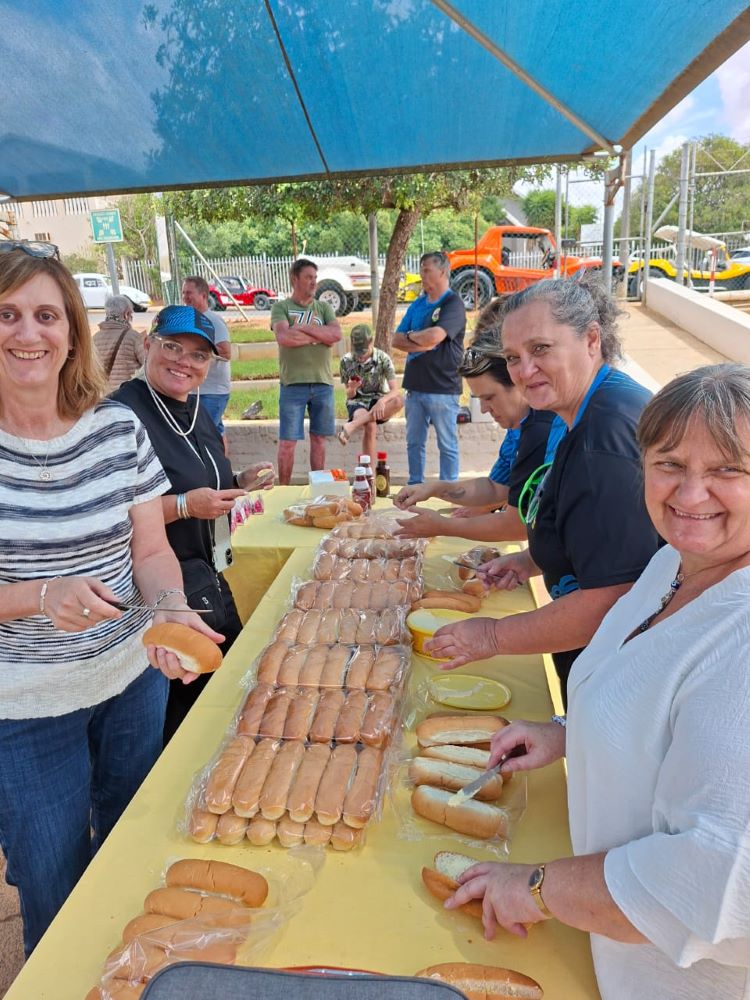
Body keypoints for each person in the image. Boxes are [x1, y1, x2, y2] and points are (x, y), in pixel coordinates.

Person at [446, 365, 750, 1000]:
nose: (691, 493)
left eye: (728, 469)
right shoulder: (676, 560)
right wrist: (567, 732)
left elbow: (715, 878)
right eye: (669, 462)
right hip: (604, 954)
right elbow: (644, 688)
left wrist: (535, 887)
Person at [0, 244, 218, 955]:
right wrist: (38, 595)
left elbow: (151, 550)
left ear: (72, 331)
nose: (27, 333)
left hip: (131, 681)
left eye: (44, 315)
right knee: (55, 889)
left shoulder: (116, 429)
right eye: (6, 314)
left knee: (133, 860)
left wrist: (170, 609)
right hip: (28, 707)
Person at [425, 277, 661, 702]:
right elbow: (597, 536)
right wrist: (534, 559)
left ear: (591, 339)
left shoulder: (603, 437)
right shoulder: (586, 409)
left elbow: (611, 597)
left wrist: (492, 637)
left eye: (540, 349)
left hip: (623, 668)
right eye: (513, 357)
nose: (524, 371)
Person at [112, 305, 275, 743]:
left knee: (231, 699)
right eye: (172, 347)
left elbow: (202, 479)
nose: (185, 361)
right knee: (189, 724)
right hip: (161, 593)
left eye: (199, 355)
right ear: (148, 344)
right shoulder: (119, 416)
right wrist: (184, 505)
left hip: (209, 577)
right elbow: (111, 515)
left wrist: (237, 481)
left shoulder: (195, 409)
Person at [393, 300, 565, 543]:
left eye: (489, 397)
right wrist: (432, 488)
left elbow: (515, 526)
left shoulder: (541, 431)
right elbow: (495, 488)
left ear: (517, 382)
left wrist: (442, 525)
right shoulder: (521, 425)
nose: (484, 409)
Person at [392, 251, 466, 484]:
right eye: (421, 269)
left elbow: (435, 336)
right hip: (415, 388)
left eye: (426, 270)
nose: (422, 275)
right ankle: (415, 487)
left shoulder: (452, 304)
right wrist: (418, 340)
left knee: (447, 443)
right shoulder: (417, 305)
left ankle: (449, 490)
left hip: (443, 387)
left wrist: (412, 338)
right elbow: (395, 339)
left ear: (442, 271)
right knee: (414, 443)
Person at [271, 258, 342, 484]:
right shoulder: (281, 307)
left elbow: (336, 336)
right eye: (308, 277)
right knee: (288, 443)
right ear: (295, 279)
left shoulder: (324, 307)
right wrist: (319, 336)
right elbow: (283, 337)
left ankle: (317, 489)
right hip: (293, 384)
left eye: (315, 278)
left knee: (319, 440)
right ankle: (283, 490)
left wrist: (302, 328)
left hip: (323, 384)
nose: (314, 282)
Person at [337, 323, 403, 455]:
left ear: (371, 342)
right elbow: (349, 396)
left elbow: (395, 390)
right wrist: (352, 388)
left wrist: (382, 401)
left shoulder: (383, 358)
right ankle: (370, 474)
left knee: (399, 401)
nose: (360, 357)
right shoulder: (346, 361)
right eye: (357, 352)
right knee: (370, 425)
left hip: (379, 402)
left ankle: (352, 426)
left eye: (364, 352)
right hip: (358, 402)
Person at [182, 275, 232, 437]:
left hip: (212, 392)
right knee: (216, 432)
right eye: (183, 293)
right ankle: (223, 463)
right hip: (197, 390)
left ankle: (212, 463)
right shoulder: (191, 320)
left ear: (203, 295)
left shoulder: (213, 321)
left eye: (189, 293)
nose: (185, 297)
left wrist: (197, 350)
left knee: (203, 436)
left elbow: (226, 352)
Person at [92, 293, 146, 391]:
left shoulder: (95, 339)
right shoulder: (134, 337)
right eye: (131, 314)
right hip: (129, 395)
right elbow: (147, 365)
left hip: (105, 396)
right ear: (126, 314)